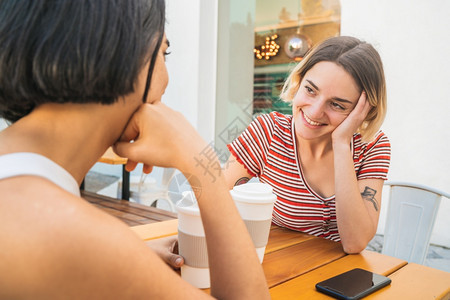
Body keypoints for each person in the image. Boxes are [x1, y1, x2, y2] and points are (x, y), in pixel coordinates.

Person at [0, 0, 270, 299]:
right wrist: (203, 166)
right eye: (163, 53)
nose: (166, 81)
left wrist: (131, 256)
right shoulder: (73, 238)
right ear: (117, 55)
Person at [225, 36, 391, 254]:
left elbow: (355, 243)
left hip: (340, 280)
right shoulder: (268, 132)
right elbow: (215, 203)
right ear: (299, 81)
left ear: (363, 110)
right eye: (311, 90)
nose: (314, 112)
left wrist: (341, 144)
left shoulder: (372, 146)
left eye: (337, 104)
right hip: (278, 268)